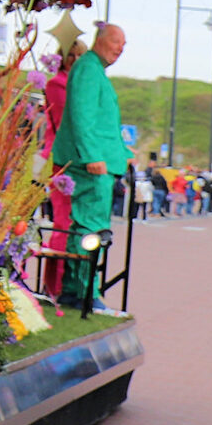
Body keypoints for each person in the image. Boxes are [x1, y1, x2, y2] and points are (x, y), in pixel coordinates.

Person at [53, 22, 128, 310]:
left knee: (85, 224)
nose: (120, 49)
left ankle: (74, 291)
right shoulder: (88, 69)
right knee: (92, 227)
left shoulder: (92, 70)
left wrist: (122, 152)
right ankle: (87, 293)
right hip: (93, 164)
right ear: (100, 40)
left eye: (124, 44)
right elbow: (81, 115)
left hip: (99, 160)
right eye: (116, 42)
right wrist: (92, 155)